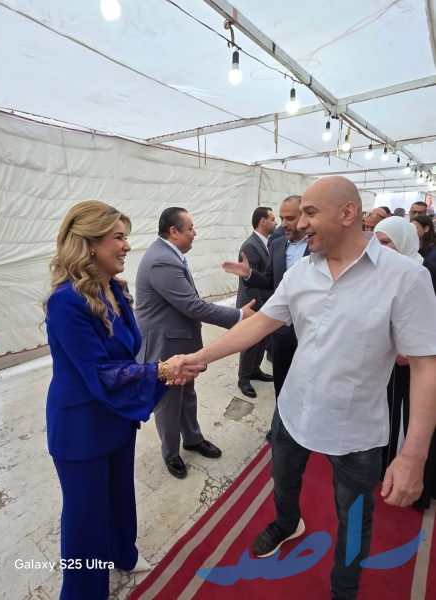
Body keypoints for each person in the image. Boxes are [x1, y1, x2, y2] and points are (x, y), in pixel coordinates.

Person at [175, 177, 436, 600]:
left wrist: (413, 456)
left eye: (310, 213)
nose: (298, 224)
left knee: (355, 518)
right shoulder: (302, 271)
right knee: (284, 480)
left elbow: (425, 366)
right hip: (293, 411)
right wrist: (201, 357)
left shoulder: (405, 278)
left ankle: (344, 590)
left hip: (355, 433)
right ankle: (286, 523)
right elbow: (261, 324)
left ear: (347, 213)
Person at [43, 201, 199, 600]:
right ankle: (83, 592)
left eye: (126, 236)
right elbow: (100, 371)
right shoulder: (65, 301)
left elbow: (128, 356)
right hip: (81, 426)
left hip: (114, 416)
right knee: (85, 519)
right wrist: (161, 371)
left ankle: (122, 554)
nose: (127, 246)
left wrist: (164, 371)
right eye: (118, 237)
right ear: (90, 244)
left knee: (119, 495)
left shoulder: (114, 289)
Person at [135, 207, 255, 479]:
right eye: (190, 228)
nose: (194, 233)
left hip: (179, 340)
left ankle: (192, 438)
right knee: (168, 402)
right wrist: (238, 316)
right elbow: (192, 306)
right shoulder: (161, 261)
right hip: (165, 345)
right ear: (174, 231)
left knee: (187, 394)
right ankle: (171, 452)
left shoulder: (168, 255)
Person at [223, 195, 309, 441]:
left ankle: (306, 425)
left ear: (304, 217)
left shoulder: (318, 244)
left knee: (307, 382)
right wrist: (249, 274)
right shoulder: (278, 244)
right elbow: (270, 279)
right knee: (282, 381)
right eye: (281, 218)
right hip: (282, 329)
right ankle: (281, 425)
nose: (284, 223)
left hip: (310, 329)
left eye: (289, 218)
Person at [374, 216, 436, 509]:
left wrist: (411, 350)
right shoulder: (380, 272)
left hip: (417, 365)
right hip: (388, 363)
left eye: (386, 242)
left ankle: (413, 483)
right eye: (376, 243)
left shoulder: (424, 272)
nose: (380, 249)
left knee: (414, 422)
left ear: (404, 240)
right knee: (389, 416)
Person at [236, 207, 276, 399]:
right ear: (262, 221)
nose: (276, 223)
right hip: (253, 304)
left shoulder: (266, 243)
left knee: (261, 341)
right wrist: (259, 308)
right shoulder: (250, 246)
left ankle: (254, 370)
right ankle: (243, 378)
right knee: (250, 341)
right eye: (273, 219)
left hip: (265, 303)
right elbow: (249, 282)